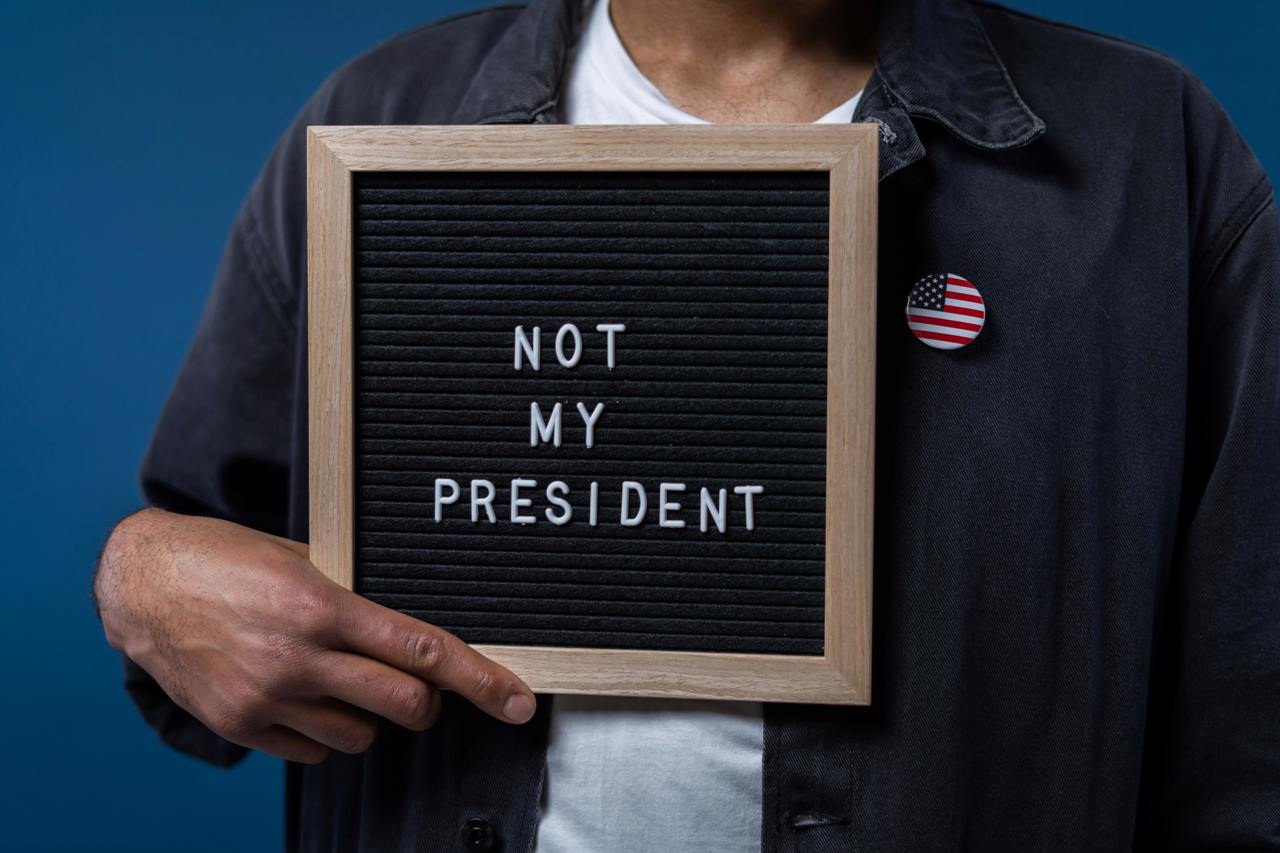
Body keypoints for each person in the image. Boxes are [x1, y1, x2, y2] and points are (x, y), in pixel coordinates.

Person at [92, 0, 1280, 850]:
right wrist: (141, 578)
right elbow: (204, 564)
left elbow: (1247, 744)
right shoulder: (378, 119)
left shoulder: (1147, 157)